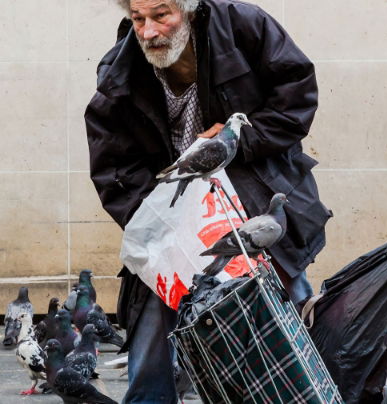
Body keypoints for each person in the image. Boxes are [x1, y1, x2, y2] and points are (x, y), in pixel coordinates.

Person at [84, 0, 331, 402]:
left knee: (289, 317)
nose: (147, 31)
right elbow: (114, 163)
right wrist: (156, 221)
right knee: (151, 328)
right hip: (174, 215)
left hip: (255, 197)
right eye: (138, 18)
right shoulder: (121, 70)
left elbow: (296, 97)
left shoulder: (245, 26)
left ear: (189, 9)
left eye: (161, 15)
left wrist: (240, 140)